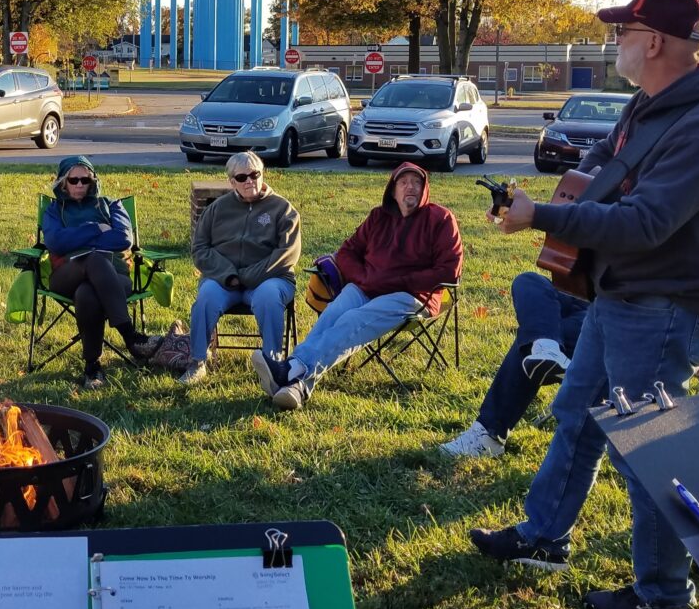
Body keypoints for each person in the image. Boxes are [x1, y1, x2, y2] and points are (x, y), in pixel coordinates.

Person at [470, 0, 699, 609]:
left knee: (644, 447)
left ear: (653, 41)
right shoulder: (649, 105)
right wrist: (579, 179)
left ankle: (664, 596)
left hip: (665, 308)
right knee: (577, 414)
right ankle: (545, 536)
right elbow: (605, 158)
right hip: (619, 295)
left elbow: (648, 222)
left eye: (622, 32)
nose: (614, 42)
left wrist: (541, 214)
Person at [252, 161, 463, 411]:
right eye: (404, 182)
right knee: (334, 312)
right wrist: (363, 278)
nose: (411, 188)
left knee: (353, 320)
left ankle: (291, 370)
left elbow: (450, 271)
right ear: (393, 190)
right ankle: (297, 385)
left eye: (417, 183)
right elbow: (347, 252)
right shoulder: (378, 217)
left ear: (425, 188)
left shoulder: (440, 219)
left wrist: (398, 282)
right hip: (367, 287)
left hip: (412, 296)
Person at [42, 156, 163, 390]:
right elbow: (56, 242)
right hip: (67, 274)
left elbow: (123, 238)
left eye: (84, 180)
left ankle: (92, 367)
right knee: (93, 259)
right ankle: (131, 337)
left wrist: (75, 237)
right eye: (73, 180)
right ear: (63, 183)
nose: (79, 185)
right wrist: (96, 228)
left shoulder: (111, 204)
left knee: (87, 293)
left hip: (114, 276)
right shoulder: (54, 210)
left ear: (92, 181)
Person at [438, 272, 588, 458]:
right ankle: (547, 348)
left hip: (618, 311)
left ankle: (489, 433)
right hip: (584, 295)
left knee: (538, 332)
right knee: (529, 281)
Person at [182, 152, 301, 386]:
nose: (250, 180)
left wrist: (248, 276)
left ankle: (273, 364)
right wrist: (230, 276)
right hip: (226, 281)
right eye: (242, 176)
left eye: (255, 174)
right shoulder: (217, 209)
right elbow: (200, 249)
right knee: (206, 297)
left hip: (271, 279)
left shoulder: (283, 209)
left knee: (268, 297)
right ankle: (197, 362)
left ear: (262, 174)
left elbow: (287, 254)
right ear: (231, 181)